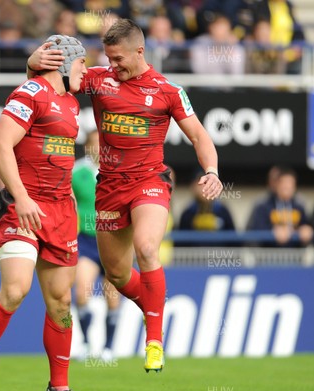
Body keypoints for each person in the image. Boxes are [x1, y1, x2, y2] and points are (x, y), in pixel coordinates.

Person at [27, 18, 223, 372]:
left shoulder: (168, 90)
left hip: (150, 181)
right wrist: (33, 64)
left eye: (118, 59)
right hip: (110, 187)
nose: (112, 65)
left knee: (147, 248)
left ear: (140, 51)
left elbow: (199, 136)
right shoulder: (98, 80)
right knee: (116, 274)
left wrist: (212, 170)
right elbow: (50, 86)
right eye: (107, 57)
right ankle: (153, 308)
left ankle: (154, 339)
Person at [0, 35, 87, 391]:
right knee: (15, 290)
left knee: (61, 303)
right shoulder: (30, 93)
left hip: (60, 212)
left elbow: (57, 155)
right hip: (22, 205)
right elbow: (0, 147)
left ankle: (58, 388)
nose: (85, 70)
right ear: (62, 64)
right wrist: (24, 196)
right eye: (80, 63)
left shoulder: (72, 103)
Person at [72, 130, 120, 362]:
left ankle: (109, 347)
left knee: (112, 295)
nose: (97, 149)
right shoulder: (76, 171)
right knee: (82, 291)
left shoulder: (117, 170)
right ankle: (85, 342)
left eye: (101, 145)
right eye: (93, 144)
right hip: (87, 240)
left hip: (112, 239)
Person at [247, 167, 313, 246]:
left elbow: (307, 227)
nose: (287, 187)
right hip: (269, 254)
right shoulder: (263, 206)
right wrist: (272, 232)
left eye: (290, 184)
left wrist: (305, 230)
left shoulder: (299, 206)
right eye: (284, 183)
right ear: (276, 185)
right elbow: (255, 232)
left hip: (294, 254)